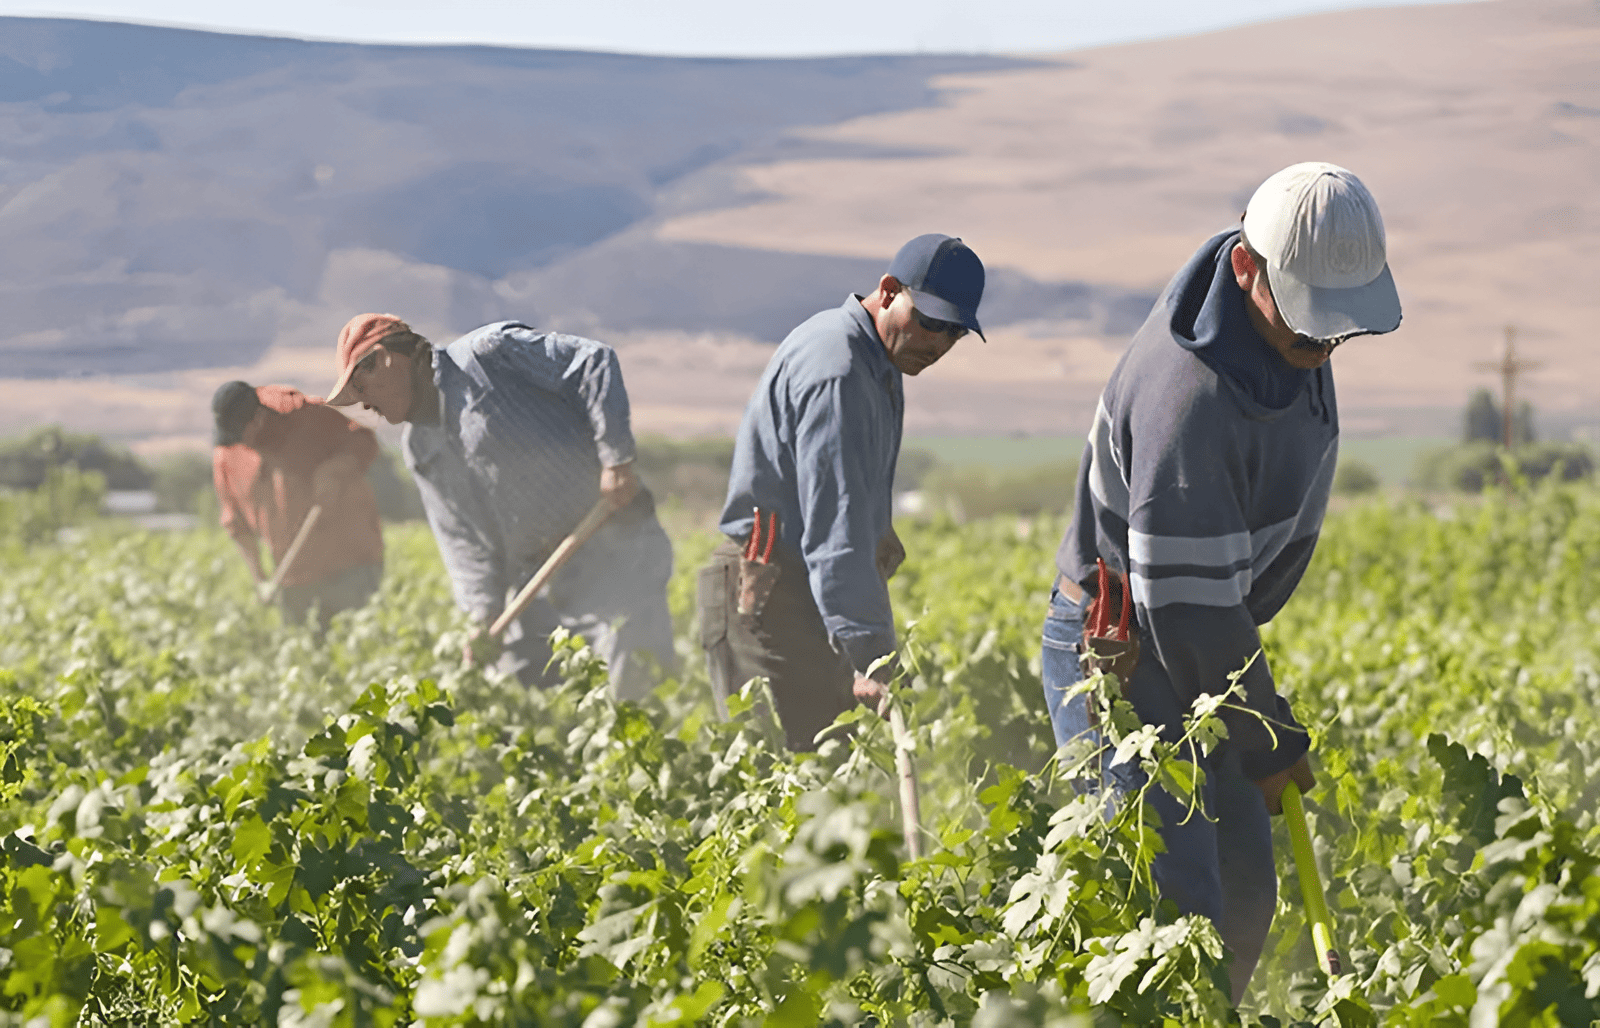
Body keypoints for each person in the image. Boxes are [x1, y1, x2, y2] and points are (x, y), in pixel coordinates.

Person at [1041, 162, 1402, 1002]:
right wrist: (1269, 740)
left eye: (1336, 330)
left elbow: (1208, 612)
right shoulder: (1189, 398)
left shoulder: (1279, 330)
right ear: (1247, 268)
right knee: (1175, 915)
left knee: (1244, 891)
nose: (1323, 349)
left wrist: (1258, 729)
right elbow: (1190, 611)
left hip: (1203, 637)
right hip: (1127, 654)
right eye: (1313, 325)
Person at [698, 234, 986, 751]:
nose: (938, 345)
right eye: (930, 323)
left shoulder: (878, 359)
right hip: (765, 595)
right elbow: (837, 533)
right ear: (889, 290)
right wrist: (873, 657)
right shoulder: (840, 371)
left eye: (955, 333)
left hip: (806, 594)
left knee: (825, 790)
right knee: (783, 793)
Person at [324, 314, 675, 700]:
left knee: (632, 687)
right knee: (511, 699)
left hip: (610, 546)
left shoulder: (489, 357)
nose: (363, 402)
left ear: (385, 359)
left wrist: (616, 460)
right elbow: (463, 541)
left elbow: (592, 361)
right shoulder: (421, 450)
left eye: (360, 384)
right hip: (535, 577)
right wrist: (482, 615)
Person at [211, 381, 384, 629]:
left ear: (258, 419)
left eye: (242, 435)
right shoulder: (227, 454)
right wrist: (260, 579)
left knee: (353, 647)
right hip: (292, 579)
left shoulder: (313, 416)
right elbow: (236, 524)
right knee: (305, 655)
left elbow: (365, 441)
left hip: (350, 565)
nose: (239, 444)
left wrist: (336, 468)